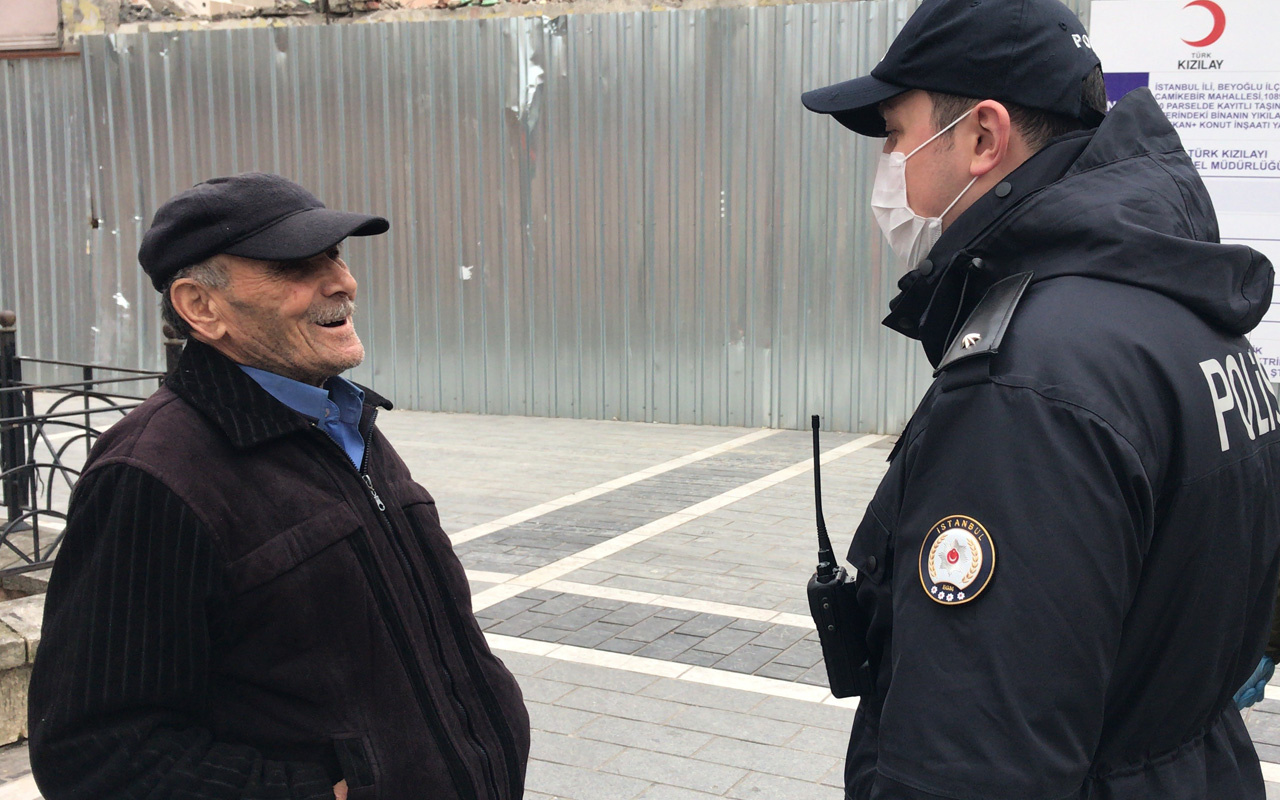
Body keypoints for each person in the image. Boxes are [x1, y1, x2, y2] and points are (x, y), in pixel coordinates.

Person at [801, 0, 1280, 797]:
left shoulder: (1026, 385)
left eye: (894, 133)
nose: (888, 165)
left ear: (983, 138)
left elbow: (973, 767)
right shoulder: (1187, 314)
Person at [28, 173, 530, 800]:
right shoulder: (152, 475)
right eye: (294, 265)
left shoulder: (341, 418)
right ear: (201, 307)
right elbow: (93, 753)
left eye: (335, 254)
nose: (341, 281)